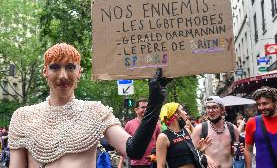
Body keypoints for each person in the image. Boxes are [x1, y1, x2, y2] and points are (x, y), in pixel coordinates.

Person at [8, 43, 170, 168]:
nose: (63, 75)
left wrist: (155, 101)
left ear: (79, 72)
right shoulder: (23, 117)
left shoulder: (95, 112)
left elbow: (134, 150)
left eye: (70, 67)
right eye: (55, 67)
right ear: (45, 72)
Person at [156, 102, 216, 168]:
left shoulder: (187, 131)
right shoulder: (163, 137)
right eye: (182, 110)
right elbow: (160, 166)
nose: (185, 113)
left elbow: (189, 156)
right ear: (176, 114)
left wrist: (199, 150)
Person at [191, 96, 240, 168]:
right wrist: (203, 156)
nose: (211, 110)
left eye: (214, 107)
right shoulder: (200, 129)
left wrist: (239, 151)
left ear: (222, 110)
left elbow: (236, 155)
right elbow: (190, 153)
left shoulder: (233, 128)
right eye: (208, 108)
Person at [244, 86, 277, 168]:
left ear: (276, 103)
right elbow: (248, 150)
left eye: (265, 103)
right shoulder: (252, 122)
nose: (261, 108)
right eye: (259, 104)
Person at [118, 98, 161, 168]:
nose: (146, 109)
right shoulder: (129, 124)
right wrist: (120, 164)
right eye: (143, 107)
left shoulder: (155, 124)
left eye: (147, 107)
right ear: (136, 110)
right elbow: (124, 146)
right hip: (136, 164)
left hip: (153, 163)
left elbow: (160, 143)